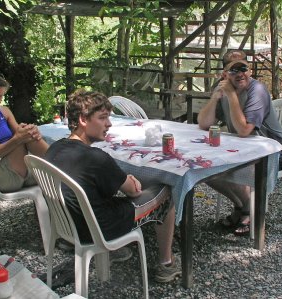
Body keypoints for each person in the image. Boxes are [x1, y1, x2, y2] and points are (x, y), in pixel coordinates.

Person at [45, 90, 181, 283]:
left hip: (69, 226)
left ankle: (115, 251)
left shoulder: (54, 148)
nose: (109, 124)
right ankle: (166, 264)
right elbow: (134, 190)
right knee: (166, 189)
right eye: (102, 118)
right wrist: (130, 179)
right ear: (83, 119)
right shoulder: (95, 158)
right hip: (100, 229)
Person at [197, 50, 282, 236]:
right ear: (224, 74)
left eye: (243, 68)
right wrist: (216, 97)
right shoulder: (222, 87)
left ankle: (248, 210)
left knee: (221, 169)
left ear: (250, 70)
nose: (240, 74)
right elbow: (204, 124)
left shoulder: (258, 90)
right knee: (203, 169)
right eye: (234, 70)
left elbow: (245, 130)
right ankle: (245, 206)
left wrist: (231, 96)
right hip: (243, 150)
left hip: (271, 154)